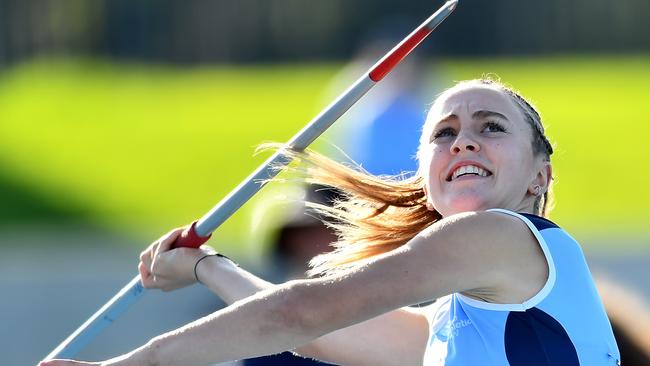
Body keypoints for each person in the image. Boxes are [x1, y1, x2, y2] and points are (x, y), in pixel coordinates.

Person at [42, 78, 621, 366]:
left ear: (538, 177)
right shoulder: (452, 322)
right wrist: (207, 268)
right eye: (444, 134)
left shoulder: (500, 235)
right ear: (426, 174)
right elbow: (320, 330)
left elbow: (302, 312)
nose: (463, 139)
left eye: (491, 127)